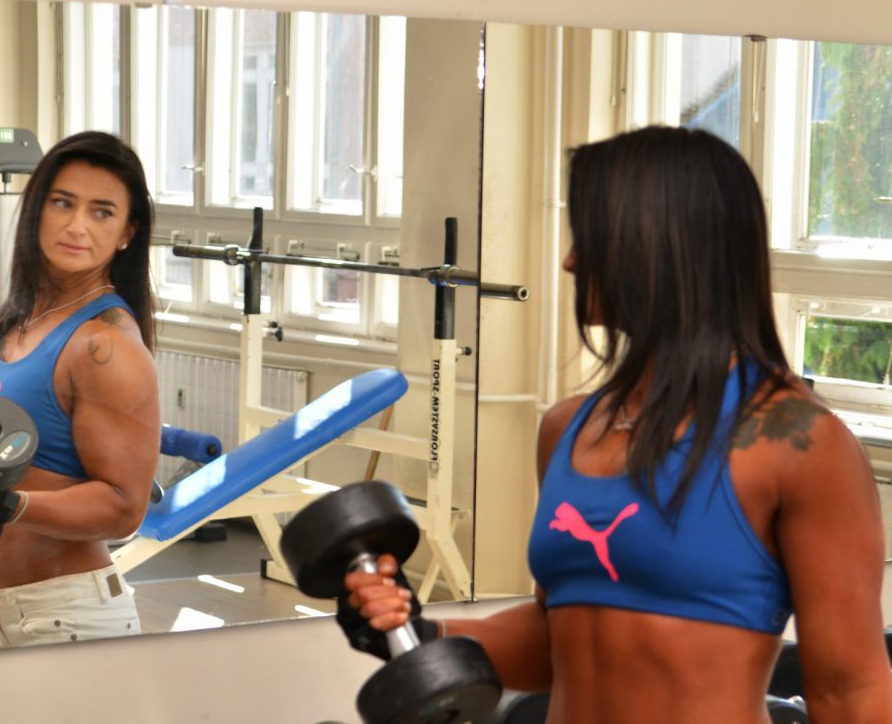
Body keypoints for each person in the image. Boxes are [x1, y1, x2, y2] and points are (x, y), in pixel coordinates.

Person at [342, 126, 892, 723]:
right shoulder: (570, 429)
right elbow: (557, 642)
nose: (571, 261)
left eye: (591, 237)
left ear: (660, 247)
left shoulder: (797, 442)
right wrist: (420, 634)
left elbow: (851, 692)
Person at [0, 131, 160, 649]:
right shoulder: (19, 316)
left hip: (71, 618)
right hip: (6, 610)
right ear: (37, 209)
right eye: (63, 202)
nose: (77, 226)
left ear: (127, 233)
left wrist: (8, 504)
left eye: (102, 212)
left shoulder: (106, 345)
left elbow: (125, 508)